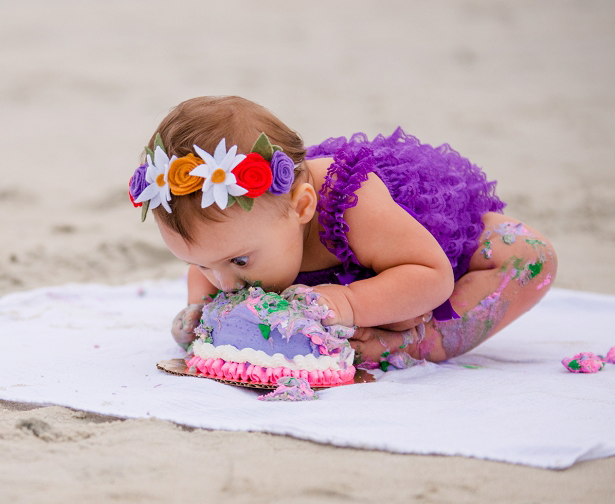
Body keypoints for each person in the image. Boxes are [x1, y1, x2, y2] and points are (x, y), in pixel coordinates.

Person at [127, 96, 556, 366]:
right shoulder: (238, 238)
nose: (223, 283)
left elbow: (433, 276)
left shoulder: (350, 200)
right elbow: (212, 267)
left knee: (532, 256)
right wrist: (198, 315)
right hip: (361, 271)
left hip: (425, 244)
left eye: (238, 261)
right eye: (200, 263)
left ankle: (426, 343)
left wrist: (348, 301)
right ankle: (386, 316)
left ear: (301, 207)